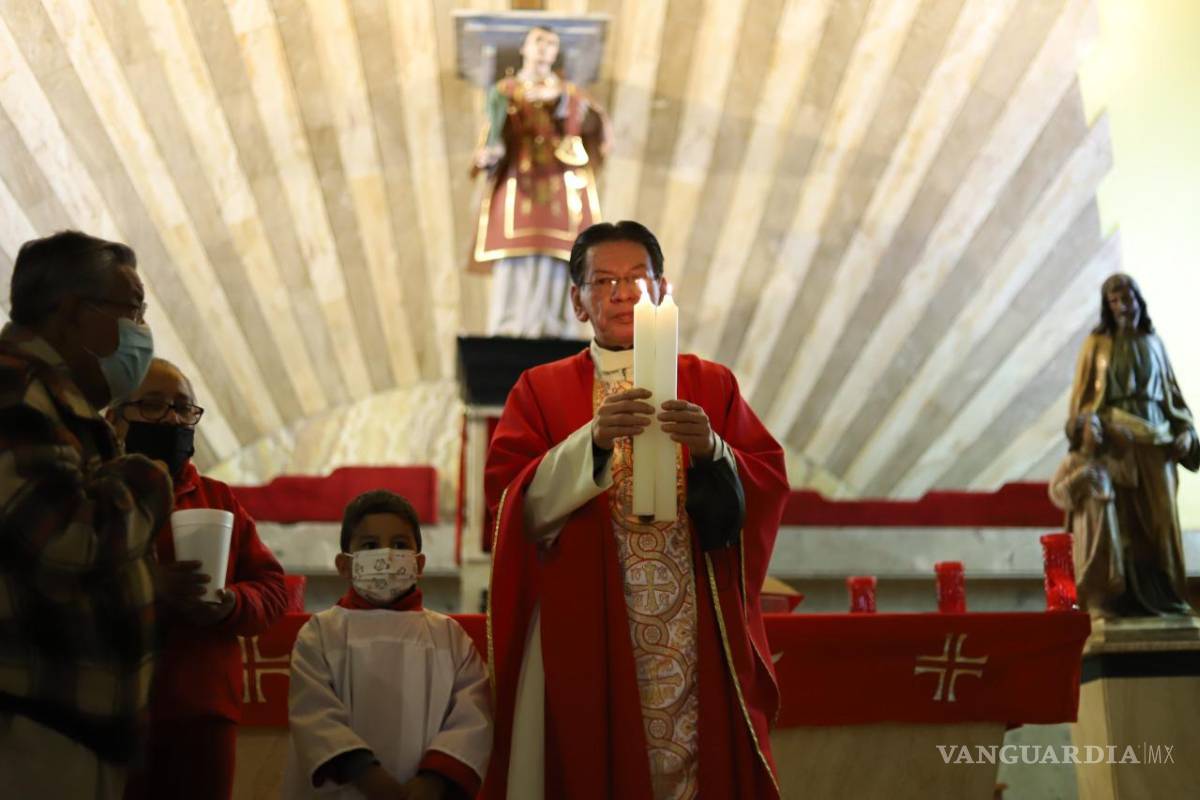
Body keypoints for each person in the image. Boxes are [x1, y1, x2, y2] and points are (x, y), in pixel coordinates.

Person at [484, 221, 788, 799]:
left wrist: (713, 450)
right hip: (587, 622)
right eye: (603, 281)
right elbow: (512, 510)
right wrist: (592, 443)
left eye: (636, 278)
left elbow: (766, 484)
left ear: (662, 287)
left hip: (692, 628)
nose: (623, 293)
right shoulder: (541, 390)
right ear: (578, 301)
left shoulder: (709, 383)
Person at [0, 231, 172, 798]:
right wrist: (148, 479)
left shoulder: (55, 398)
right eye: (133, 310)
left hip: (66, 731)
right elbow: (69, 540)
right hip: (34, 730)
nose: (142, 331)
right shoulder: (15, 390)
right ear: (74, 311)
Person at [113, 358, 289, 800]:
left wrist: (231, 605)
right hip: (112, 704)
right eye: (153, 406)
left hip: (202, 708)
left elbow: (271, 588)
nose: (172, 420)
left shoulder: (217, 498)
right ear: (115, 419)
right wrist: (147, 586)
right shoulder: (94, 493)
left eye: (183, 408)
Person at [284, 490, 492, 800]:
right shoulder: (320, 634)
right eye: (370, 546)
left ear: (418, 563)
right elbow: (314, 715)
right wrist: (368, 776)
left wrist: (434, 780)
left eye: (399, 545)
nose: (386, 556)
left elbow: (472, 714)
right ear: (344, 565)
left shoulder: (450, 637)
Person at [1067, 273, 1198, 616]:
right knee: (1121, 526)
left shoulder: (1154, 343)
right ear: (1108, 308)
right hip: (1116, 445)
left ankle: (1168, 597)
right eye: (1116, 301)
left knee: (1161, 523)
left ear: (1139, 300)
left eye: (1129, 298)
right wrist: (1090, 428)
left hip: (1157, 445)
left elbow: (1175, 401)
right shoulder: (1095, 345)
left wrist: (1186, 432)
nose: (1124, 307)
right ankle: (1119, 600)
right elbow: (1082, 405)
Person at [471, 25, 611, 338]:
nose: (544, 48)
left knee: (559, 252)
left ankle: (555, 324)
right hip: (519, 180)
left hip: (560, 180)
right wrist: (488, 154)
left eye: (551, 43)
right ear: (524, 47)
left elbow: (595, 126)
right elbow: (493, 133)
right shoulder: (505, 90)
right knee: (516, 250)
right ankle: (510, 324)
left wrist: (561, 98)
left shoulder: (568, 92)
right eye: (538, 41)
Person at [1049, 413, 1125, 615]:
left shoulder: (1104, 462)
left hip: (1107, 518)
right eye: (1093, 426)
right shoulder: (1072, 461)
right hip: (1087, 520)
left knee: (1108, 558)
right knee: (1090, 557)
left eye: (1100, 427)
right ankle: (1092, 602)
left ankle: (1105, 602)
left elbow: (1126, 470)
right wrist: (1078, 477)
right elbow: (1055, 491)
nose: (1099, 431)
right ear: (1079, 433)